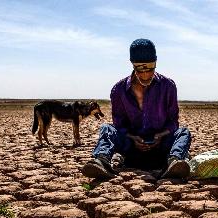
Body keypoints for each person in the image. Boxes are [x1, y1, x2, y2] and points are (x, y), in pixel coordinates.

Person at [82, 38, 191, 180]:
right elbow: (119, 125)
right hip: (131, 149)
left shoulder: (168, 86)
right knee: (107, 129)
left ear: (156, 62)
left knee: (183, 132)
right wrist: (133, 138)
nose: (146, 75)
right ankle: (102, 162)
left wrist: (160, 136)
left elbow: (173, 122)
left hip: (160, 149)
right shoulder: (119, 90)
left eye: (150, 68)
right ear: (132, 64)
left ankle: (174, 163)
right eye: (140, 68)